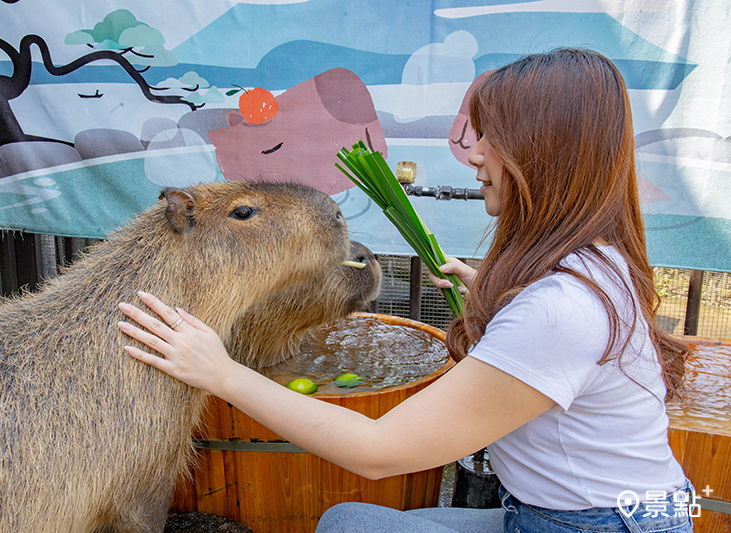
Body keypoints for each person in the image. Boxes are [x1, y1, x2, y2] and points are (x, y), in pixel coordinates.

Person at [117, 48, 693, 533]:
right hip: (594, 509)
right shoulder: (596, 263)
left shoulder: (563, 308)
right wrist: (502, 310)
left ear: (546, 153)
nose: (473, 153)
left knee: (345, 523)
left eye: (492, 137)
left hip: (599, 524)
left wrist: (220, 372)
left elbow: (378, 451)